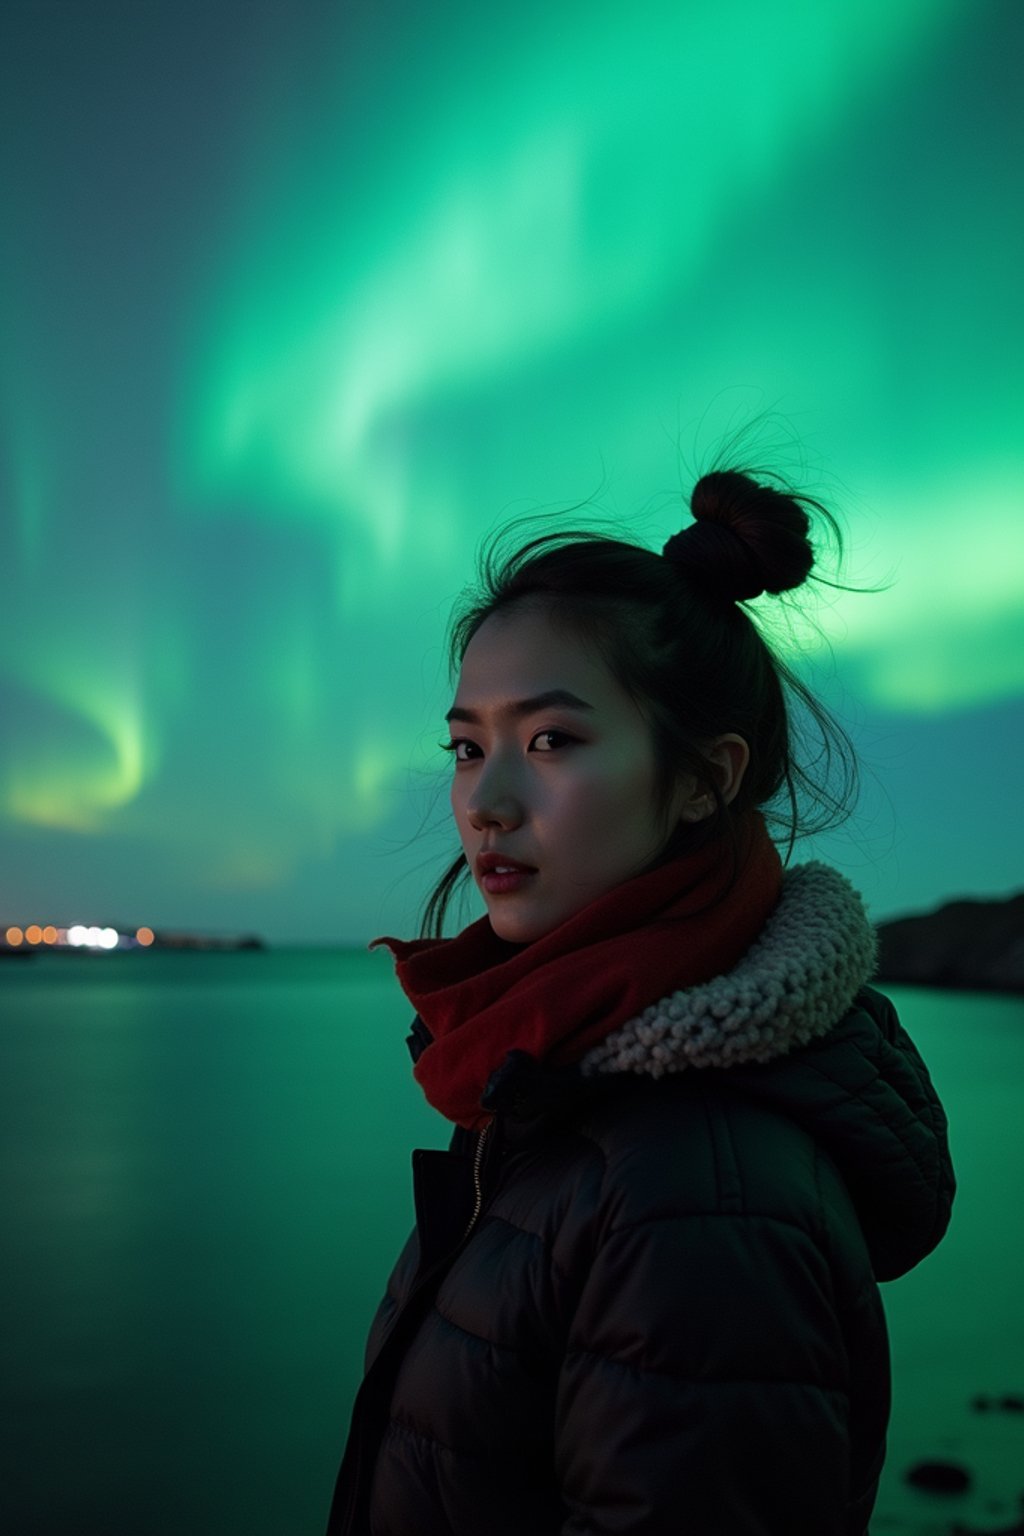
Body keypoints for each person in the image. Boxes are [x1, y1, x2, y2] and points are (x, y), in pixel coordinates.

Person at [324, 466, 955, 1536]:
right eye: (468, 748)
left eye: (552, 741)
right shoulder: (565, 1071)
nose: (486, 801)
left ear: (707, 778)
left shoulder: (698, 1188)